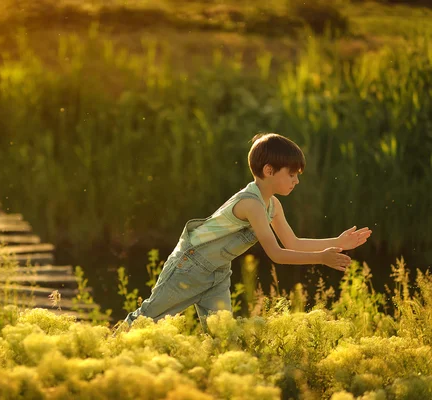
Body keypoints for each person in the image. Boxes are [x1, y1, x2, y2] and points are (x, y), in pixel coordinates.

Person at [121, 133, 372, 330]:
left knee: (222, 335)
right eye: (292, 174)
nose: (296, 180)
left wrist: (338, 242)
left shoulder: (272, 204)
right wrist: (321, 257)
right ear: (269, 171)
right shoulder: (251, 203)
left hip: (218, 273)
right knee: (146, 320)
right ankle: (104, 351)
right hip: (189, 266)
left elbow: (292, 241)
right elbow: (277, 254)